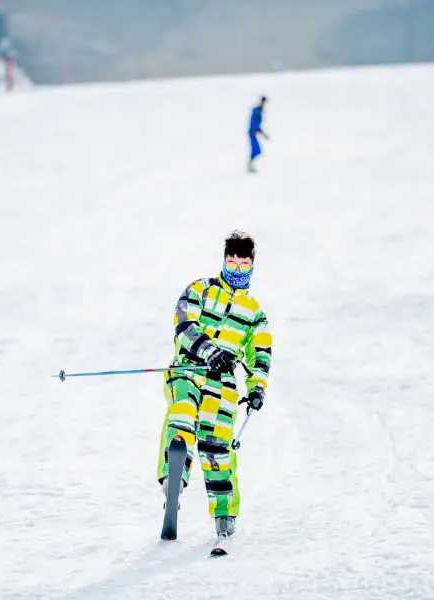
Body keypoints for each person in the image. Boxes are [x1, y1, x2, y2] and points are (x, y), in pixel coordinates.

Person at [156, 230, 273, 550]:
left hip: (222, 383)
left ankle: (224, 513)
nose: (235, 269)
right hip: (189, 368)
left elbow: (259, 355)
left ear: (250, 267)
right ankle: (173, 479)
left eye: (242, 265)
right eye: (230, 263)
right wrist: (209, 351)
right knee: (182, 411)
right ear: (223, 261)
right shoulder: (200, 289)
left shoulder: (254, 313)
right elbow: (183, 322)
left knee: (216, 445)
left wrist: (257, 386)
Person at [247, 96, 268, 173]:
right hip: (252, 132)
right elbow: (253, 122)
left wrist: (263, 134)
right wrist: (254, 130)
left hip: (254, 132)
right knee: (255, 149)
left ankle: (250, 165)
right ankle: (250, 165)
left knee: (257, 150)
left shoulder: (259, 110)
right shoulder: (257, 111)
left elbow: (258, 125)